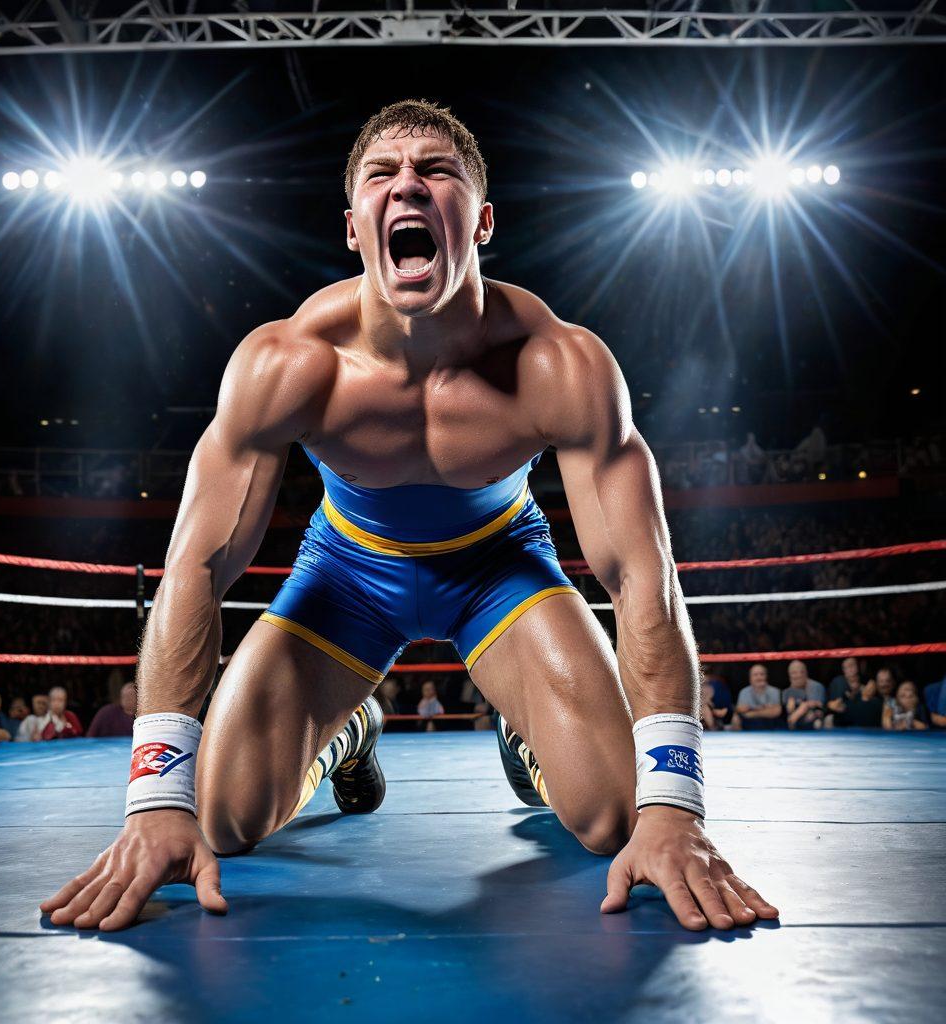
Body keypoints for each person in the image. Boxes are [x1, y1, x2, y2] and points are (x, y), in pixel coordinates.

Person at [42, 99, 776, 935]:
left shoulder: (559, 362)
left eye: (437, 172)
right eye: (382, 176)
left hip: (499, 569)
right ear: (355, 226)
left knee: (618, 815)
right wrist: (151, 800)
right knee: (220, 817)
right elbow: (197, 564)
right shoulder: (287, 363)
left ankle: (525, 740)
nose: (409, 188)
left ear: (482, 219)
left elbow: (641, 573)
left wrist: (677, 805)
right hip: (347, 577)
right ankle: (351, 728)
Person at [732, 664, 783, 730]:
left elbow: (776, 712)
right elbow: (741, 711)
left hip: (770, 724)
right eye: (755, 675)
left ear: (766, 676)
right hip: (750, 724)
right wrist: (765, 709)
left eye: (762, 674)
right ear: (750, 678)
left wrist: (752, 712)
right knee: (735, 718)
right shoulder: (744, 692)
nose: (759, 677)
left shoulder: (775, 691)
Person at [783, 660, 826, 730]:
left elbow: (818, 706)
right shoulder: (787, 692)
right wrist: (791, 711)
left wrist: (803, 707)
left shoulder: (815, 686)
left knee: (816, 719)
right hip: (795, 727)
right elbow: (789, 715)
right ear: (789, 675)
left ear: (806, 673)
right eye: (794, 673)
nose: (798, 675)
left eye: (801, 672)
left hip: (814, 721)